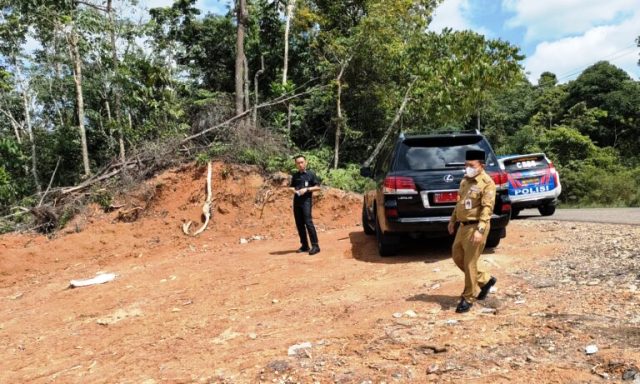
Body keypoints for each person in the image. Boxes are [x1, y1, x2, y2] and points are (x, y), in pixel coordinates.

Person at [447, 149, 498, 313]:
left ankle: (468, 297)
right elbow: (460, 203)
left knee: (469, 263)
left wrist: (480, 230)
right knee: (457, 257)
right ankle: (485, 280)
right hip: (462, 226)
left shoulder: (487, 183)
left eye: (471, 165)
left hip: (476, 227)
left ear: (481, 166)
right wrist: (452, 220)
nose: (467, 167)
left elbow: (487, 208)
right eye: (466, 164)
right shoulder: (465, 181)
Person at [289, 155, 321, 255]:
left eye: (302, 162)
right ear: (296, 164)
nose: (300, 164)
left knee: (308, 223)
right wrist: (293, 190)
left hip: (306, 202)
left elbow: (318, 187)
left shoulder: (311, 174)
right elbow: (291, 187)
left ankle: (315, 246)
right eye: (298, 163)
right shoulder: (295, 176)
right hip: (297, 202)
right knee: (299, 224)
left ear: (305, 162)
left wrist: (307, 189)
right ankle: (305, 245)